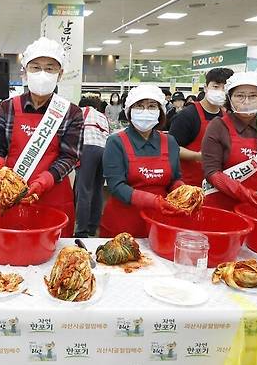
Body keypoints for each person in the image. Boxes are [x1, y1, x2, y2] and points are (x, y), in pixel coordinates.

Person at [0, 37, 84, 237]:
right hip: (12, 194)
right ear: (25, 72)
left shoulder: (70, 112)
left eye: (50, 68)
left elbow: (70, 156)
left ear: (60, 74)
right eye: (36, 67)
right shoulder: (8, 107)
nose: (42, 74)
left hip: (53, 195)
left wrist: (45, 181)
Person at [101, 85, 186, 238]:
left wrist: (183, 191)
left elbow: (174, 179)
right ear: (129, 111)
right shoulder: (116, 142)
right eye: (139, 106)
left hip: (160, 220)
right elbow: (116, 186)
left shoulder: (170, 141)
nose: (145, 111)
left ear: (160, 112)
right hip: (123, 223)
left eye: (152, 106)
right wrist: (154, 201)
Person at [202, 71, 257, 211]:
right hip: (223, 207)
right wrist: (247, 195)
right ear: (229, 98)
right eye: (239, 96)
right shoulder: (218, 126)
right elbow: (212, 172)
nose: (246, 101)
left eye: (253, 96)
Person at [169, 68, 233, 186]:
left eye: (225, 88)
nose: (220, 91)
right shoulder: (187, 115)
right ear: (205, 87)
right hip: (189, 185)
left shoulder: (227, 117)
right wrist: (198, 156)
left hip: (216, 184)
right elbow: (171, 148)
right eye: (216, 86)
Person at [74, 96, 109, 238]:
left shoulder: (80, 111)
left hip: (87, 148)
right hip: (104, 150)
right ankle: (92, 227)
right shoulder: (102, 116)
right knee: (97, 190)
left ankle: (81, 231)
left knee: (84, 191)